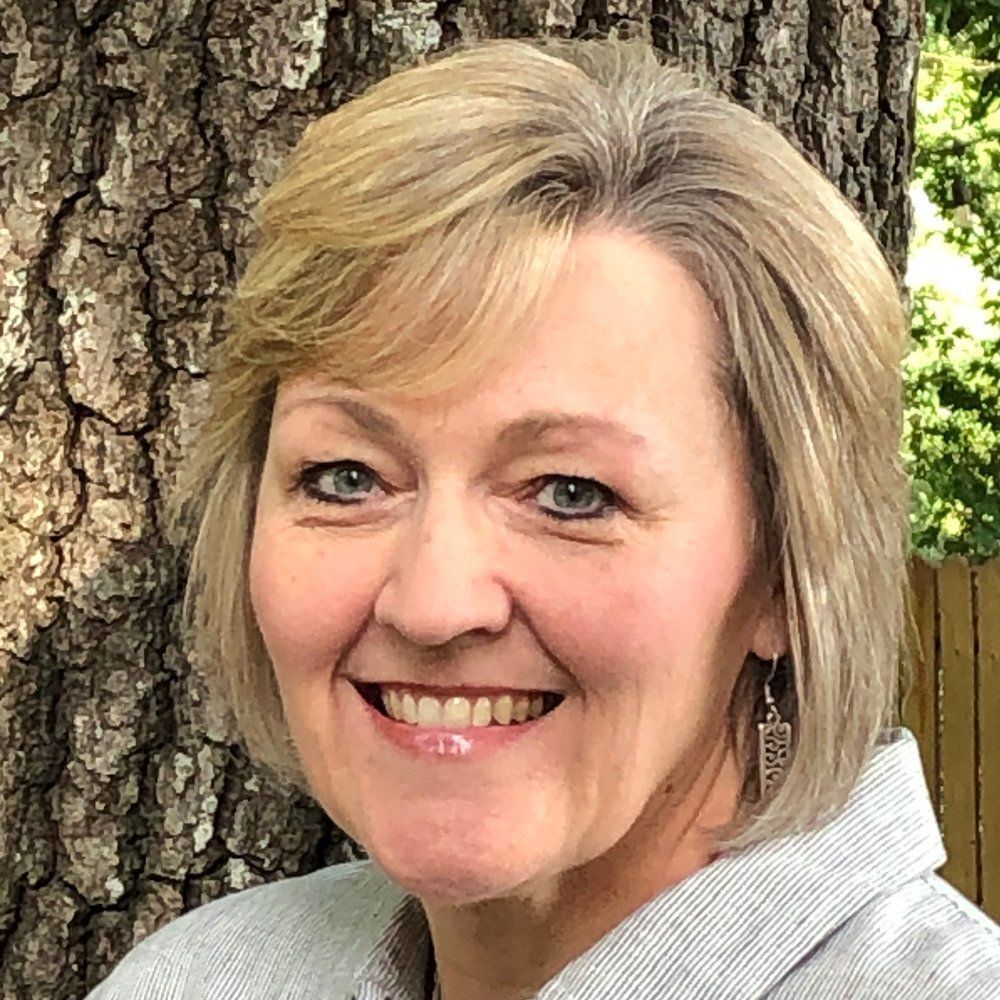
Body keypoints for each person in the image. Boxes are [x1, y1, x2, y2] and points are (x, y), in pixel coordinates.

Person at [86, 34, 1000, 1000]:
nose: (434, 606)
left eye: (572, 492)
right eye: (348, 478)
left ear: (786, 567)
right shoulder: (203, 979)